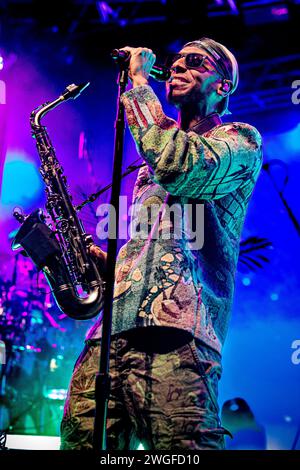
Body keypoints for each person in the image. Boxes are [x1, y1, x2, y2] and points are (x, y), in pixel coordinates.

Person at [60, 37, 263, 450]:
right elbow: (152, 247)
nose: (176, 68)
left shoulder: (240, 141)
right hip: (110, 336)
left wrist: (137, 82)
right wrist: (108, 264)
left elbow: (179, 165)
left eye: (193, 62)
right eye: (173, 63)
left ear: (223, 86)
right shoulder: (146, 167)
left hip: (179, 335)